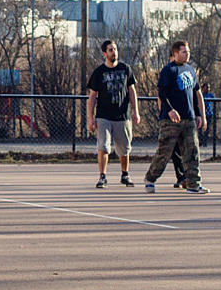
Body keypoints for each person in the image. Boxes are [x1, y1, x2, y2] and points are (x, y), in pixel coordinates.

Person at [144, 40, 209, 194]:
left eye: (188, 51)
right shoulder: (169, 70)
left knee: (192, 151)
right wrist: (170, 110)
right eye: (184, 52)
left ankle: (193, 184)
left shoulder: (191, 70)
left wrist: (199, 114)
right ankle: (150, 178)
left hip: (189, 119)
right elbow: (162, 93)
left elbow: (195, 94)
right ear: (175, 53)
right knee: (164, 153)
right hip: (171, 121)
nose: (187, 54)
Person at [85, 39, 142, 188]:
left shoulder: (125, 69)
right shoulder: (98, 72)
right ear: (104, 53)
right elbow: (92, 96)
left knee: (124, 148)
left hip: (122, 115)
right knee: (103, 146)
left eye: (115, 49)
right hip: (103, 115)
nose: (114, 52)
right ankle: (102, 176)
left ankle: (125, 174)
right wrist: (90, 118)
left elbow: (131, 91)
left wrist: (135, 112)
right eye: (110, 50)